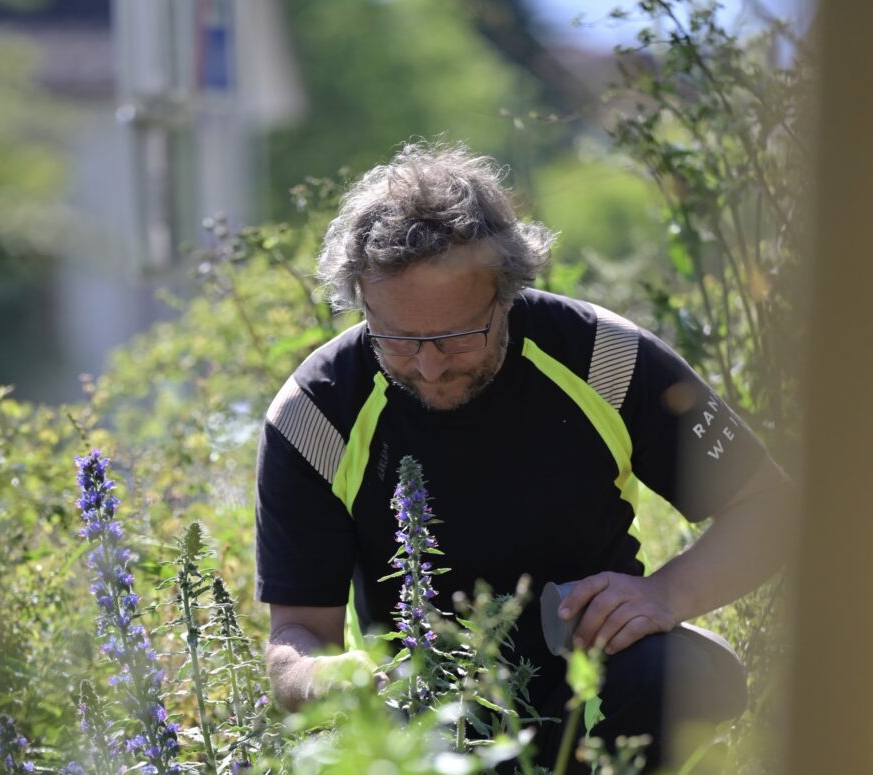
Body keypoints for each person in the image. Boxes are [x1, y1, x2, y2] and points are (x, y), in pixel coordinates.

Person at [254, 142, 790, 771]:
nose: (428, 365)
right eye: (397, 338)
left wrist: (666, 595)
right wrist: (324, 680)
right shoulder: (315, 415)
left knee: (687, 674)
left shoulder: (603, 359)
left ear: (507, 292)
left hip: (600, 686)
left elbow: (771, 507)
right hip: (426, 715)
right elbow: (295, 638)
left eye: (458, 335)